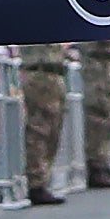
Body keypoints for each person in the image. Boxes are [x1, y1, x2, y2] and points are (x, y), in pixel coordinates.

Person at [18, 42, 70, 205]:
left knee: (53, 131)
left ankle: (43, 179)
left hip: (55, 71)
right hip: (39, 70)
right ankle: (37, 182)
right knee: (39, 130)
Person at [79, 38, 110, 187]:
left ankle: (102, 162)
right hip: (95, 65)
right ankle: (95, 166)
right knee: (97, 118)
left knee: (105, 119)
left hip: (105, 65)